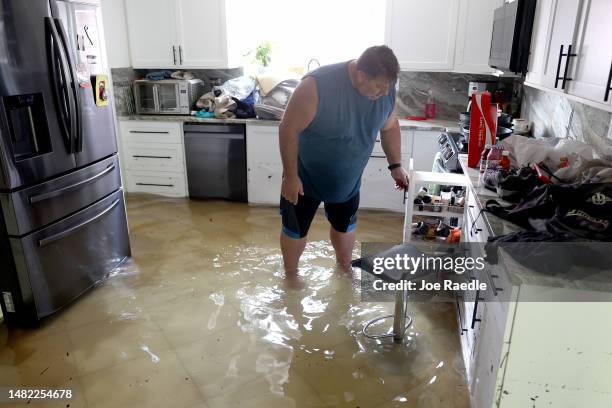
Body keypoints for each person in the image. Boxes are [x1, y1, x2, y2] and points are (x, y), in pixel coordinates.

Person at [278, 45, 409, 283]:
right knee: (295, 227)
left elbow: (390, 127)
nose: (384, 91)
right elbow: (288, 129)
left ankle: (344, 269)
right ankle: (291, 276)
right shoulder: (316, 86)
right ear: (361, 76)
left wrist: (395, 165)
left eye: (388, 86)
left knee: (344, 226)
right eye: (379, 86)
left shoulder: (385, 91)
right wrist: (290, 176)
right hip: (304, 176)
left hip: (347, 180)